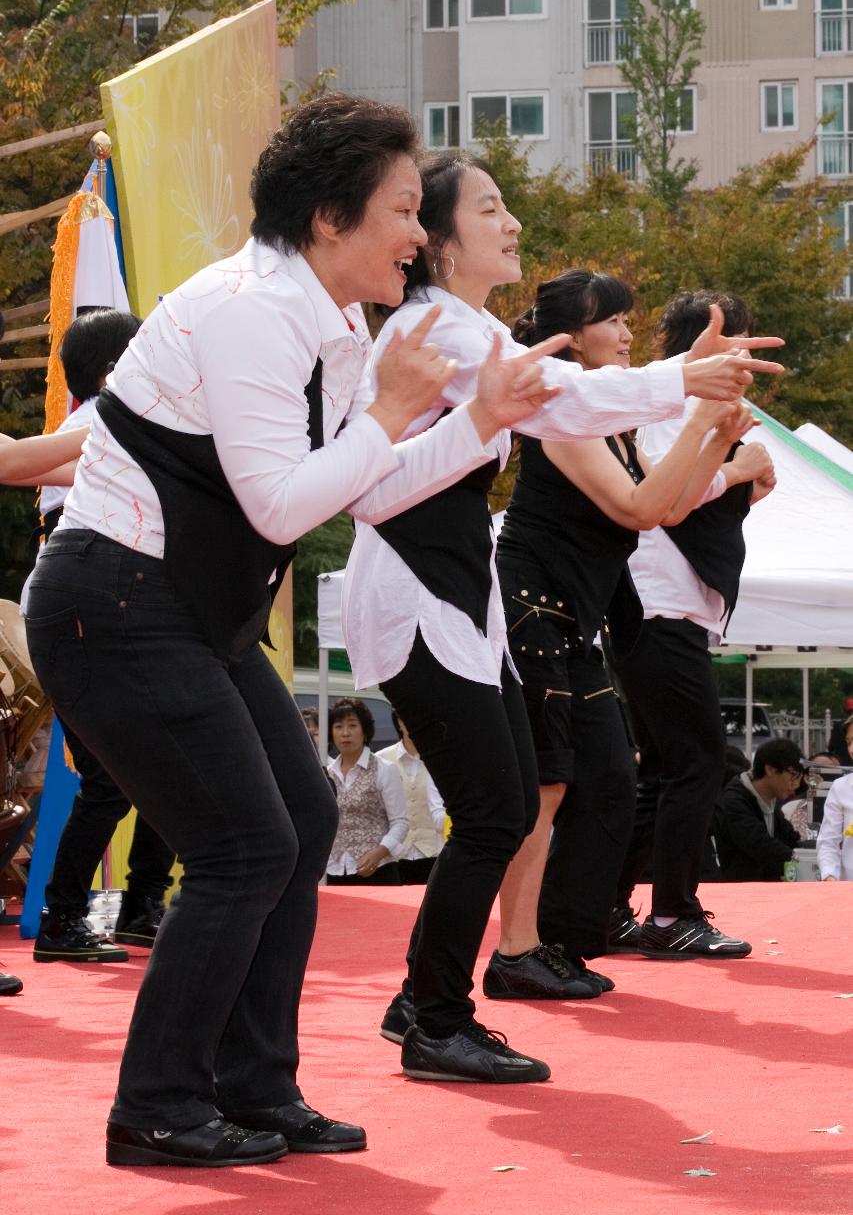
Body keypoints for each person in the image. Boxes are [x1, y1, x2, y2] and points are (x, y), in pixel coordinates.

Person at [24, 95, 557, 1168]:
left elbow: (370, 489)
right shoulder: (252, 310)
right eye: (406, 210)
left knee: (303, 817)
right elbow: (281, 504)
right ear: (329, 216)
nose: (420, 234)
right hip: (114, 605)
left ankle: (254, 1084)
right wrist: (388, 414)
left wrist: (478, 423)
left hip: (182, 611)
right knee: (245, 843)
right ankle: (159, 1104)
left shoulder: (326, 321)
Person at [342, 150, 784, 1083]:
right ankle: (435, 1011)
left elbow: (580, 417)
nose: (510, 224)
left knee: (510, 804)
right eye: (490, 209)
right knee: (502, 808)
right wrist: (686, 383)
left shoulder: (469, 330)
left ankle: (429, 1001)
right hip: (426, 592)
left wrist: (686, 393)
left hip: (462, 600)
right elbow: (576, 408)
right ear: (440, 237)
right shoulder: (439, 331)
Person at [487, 270, 764, 1003]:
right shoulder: (560, 414)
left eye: (626, 319)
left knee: (610, 777)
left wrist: (712, 430)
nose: (626, 331)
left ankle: (571, 937)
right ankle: (517, 949)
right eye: (610, 320)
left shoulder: (608, 421)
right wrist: (705, 421)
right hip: (530, 606)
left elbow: (666, 506)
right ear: (570, 339)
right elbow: (642, 506)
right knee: (546, 786)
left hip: (579, 617)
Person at [610, 290, 778, 957]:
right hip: (657, 607)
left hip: (666, 607)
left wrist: (743, 478)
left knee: (665, 769)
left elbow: (694, 506)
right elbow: (664, 500)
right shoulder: (664, 405)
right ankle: (670, 913)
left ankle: (606, 906)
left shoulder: (686, 406)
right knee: (698, 763)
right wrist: (736, 466)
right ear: (704, 343)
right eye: (738, 345)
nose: (745, 360)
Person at [22, 311, 177, 966]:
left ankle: (142, 906)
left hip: (123, 608)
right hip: (90, 611)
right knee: (112, 781)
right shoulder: (95, 423)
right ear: (116, 368)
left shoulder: (118, 420)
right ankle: (62, 916)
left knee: (165, 772)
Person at [326, 698, 408, 885]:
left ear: (365, 730)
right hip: (336, 870)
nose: (345, 733)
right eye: (338, 727)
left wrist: (380, 852)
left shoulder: (384, 768)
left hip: (378, 870)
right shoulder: (327, 773)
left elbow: (400, 822)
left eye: (353, 726)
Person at [714, 738, 803, 880]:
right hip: (739, 892)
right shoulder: (734, 800)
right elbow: (760, 845)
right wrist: (802, 861)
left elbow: (790, 838)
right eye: (793, 776)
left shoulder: (771, 800)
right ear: (770, 769)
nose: (796, 784)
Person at [376, 710, 445, 884]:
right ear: (398, 722)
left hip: (434, 852)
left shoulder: (441, 758)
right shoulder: (381, 760)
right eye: (404, 716)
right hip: (394, 857)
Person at [817, 715, 853, 880]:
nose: (851, 749)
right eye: (849, 742)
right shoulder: (840, 787)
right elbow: (828, 842)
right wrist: (829, 875)